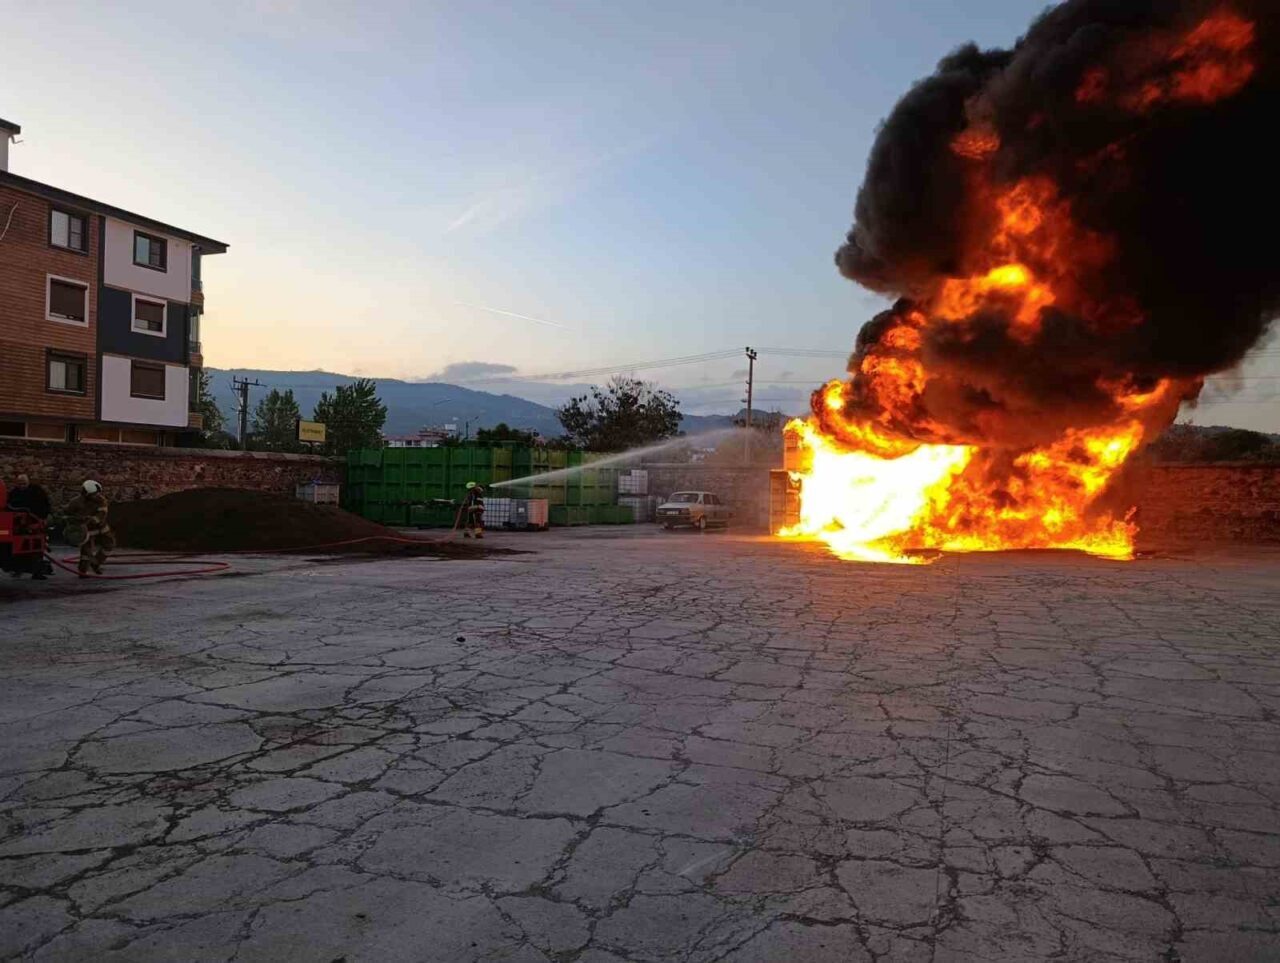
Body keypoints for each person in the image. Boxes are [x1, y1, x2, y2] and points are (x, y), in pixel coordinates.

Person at [5, 473, 52, 580]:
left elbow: (45, 506)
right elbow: (9, 507)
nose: (22, 486)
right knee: (18, 549)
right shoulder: (14, 493)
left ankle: (37, 572)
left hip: (34, 524)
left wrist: (42, 519)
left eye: (24, 484)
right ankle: (18, 568)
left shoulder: (37, 492)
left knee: (37, 549)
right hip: (19, 526)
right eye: (20, 484)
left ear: (28, 482)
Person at [63, 479, 115, 576]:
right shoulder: (76, 502)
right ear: (86, 494)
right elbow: (66, 512)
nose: (97, 495)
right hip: (86, 530)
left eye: (98, 493)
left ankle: (96, 563)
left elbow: (102, 514)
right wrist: (72, 519)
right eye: (94, 494)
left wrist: (92, 519)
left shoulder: (101, 500)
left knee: (109, 545)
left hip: (101, 528)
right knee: (86, 551)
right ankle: (82, 571)